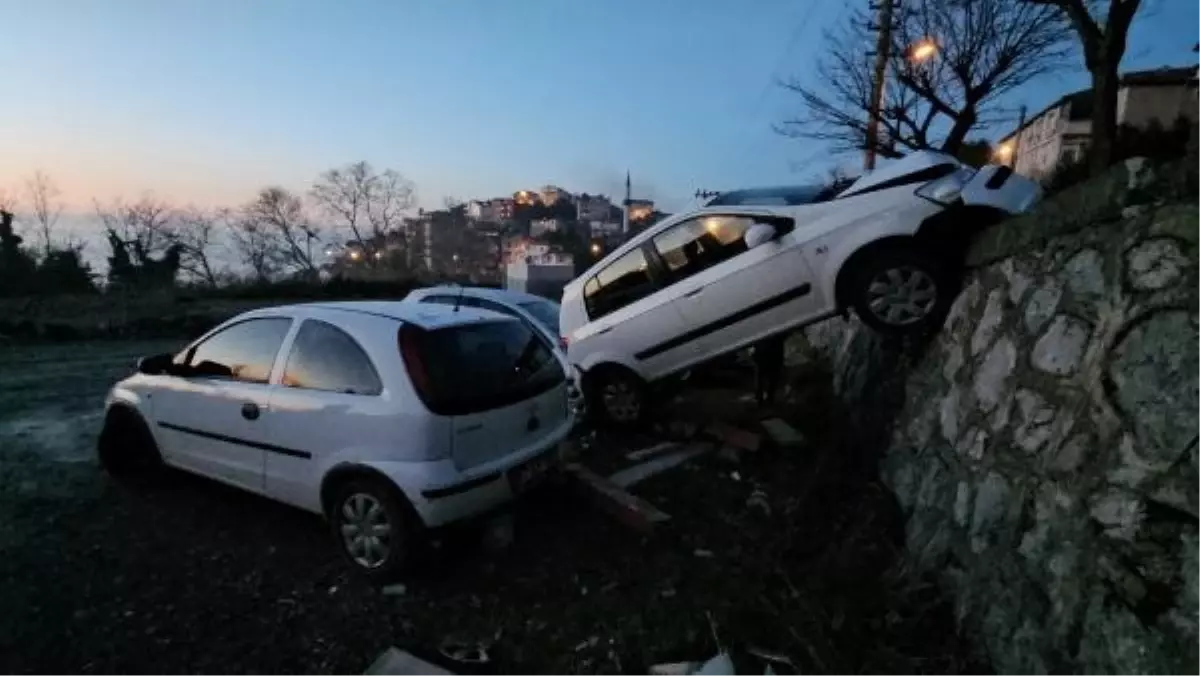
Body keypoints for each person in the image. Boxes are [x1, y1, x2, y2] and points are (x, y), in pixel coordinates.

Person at [753, 332, 787, 406]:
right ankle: (765, 398)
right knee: (767, 376)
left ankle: (764, 398)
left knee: (766, 376)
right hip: (770, 349)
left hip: (768, 349)